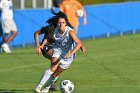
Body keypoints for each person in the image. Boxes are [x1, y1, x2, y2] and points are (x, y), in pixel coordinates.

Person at [34, 10, 82, 93]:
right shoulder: (52, 28)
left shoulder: (69, 29)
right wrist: (40, 46)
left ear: (65, 22)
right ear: (57, 22)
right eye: (59, 22)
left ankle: (46, 88)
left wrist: (80, 47)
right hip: (51, 48)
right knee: (53, 67)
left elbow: (77, 41)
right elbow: (45, 37)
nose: (61, 24)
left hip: (66, 54)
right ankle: (38, 87)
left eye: (63, 22)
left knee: (55, 74)